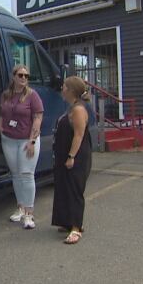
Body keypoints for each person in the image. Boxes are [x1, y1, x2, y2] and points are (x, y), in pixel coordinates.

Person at [0, 64, 44, 229]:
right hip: (9, 139)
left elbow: (38, 118)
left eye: (26, 76)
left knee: (27, 174)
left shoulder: (32, 95)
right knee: (16, 174)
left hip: (26, 140)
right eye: (20, 75)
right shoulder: (6, 95)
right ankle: (21, 208)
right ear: (14, 76)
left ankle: (30, 214)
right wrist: (0, 126)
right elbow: (2, 113)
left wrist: (32, 141)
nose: (24, 78)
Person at [52, 76, 93, 244]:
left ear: (70, 90)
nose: (62, 89)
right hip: (64, 154)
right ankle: (68, 221)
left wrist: (71, 156)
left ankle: (76, 228)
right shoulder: (72, 107)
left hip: (76, 156)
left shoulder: (78, 110)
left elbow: (78, 135)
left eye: (64, 87)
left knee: (75, 189)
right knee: (64, 187)